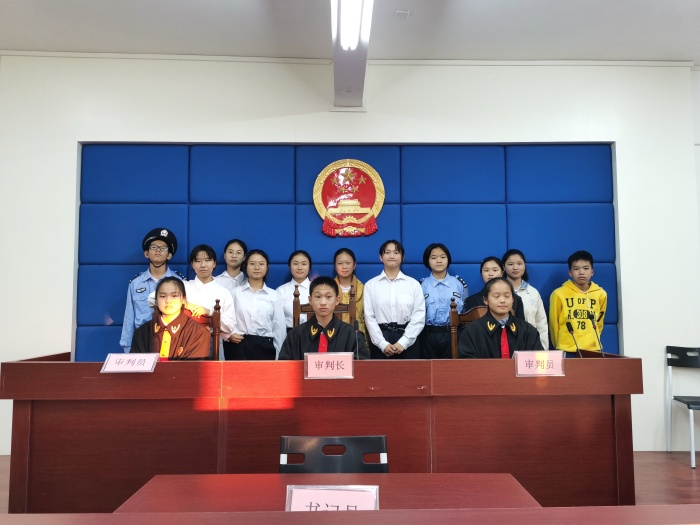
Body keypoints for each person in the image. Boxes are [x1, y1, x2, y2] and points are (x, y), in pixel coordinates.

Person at [120, 228, 185, 353]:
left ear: (169, 255)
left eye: (163, 248)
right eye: (154, 247)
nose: (158, 250)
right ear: (146, 253)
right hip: (142, 340)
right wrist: (127, 347)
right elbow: (129, 318)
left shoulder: (180, 282)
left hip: (172, 339)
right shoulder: (135, 283)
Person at [278, 277, 369, 360]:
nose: (323, 302)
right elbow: (284, 366)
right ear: (310, 300)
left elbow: (362, 368)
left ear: (337, 300)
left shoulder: (353, 335)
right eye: (318, 297)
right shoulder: (295, 335)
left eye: (328, 297)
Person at [364, 239, 426, 359]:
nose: (392, 256)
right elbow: (369, 318)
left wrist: (404, 342)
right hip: (380, 341)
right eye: (387, 252)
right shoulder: (370, 285)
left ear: (403, 257)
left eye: (396, 252)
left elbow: (419, 316)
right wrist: (382, 343)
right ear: (381, 257)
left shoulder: (413, 284)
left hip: (408, 341)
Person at [459, 278, 543, 358]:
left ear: (513, 299)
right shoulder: (471, 332)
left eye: (507, 296)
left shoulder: (528, 331)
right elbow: (468, 364)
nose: (502, 300)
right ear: (486, 300)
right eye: (496, 296)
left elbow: (536, 362)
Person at [131, 277, 210, 360]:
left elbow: (194, 366)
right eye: (162, 296)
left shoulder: (198, 332)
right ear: (156, 301)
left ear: (184, 299)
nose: (168, 300)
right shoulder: (141, 333)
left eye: (174, 296)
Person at [229, 249, 286, 360]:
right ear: (246, 267)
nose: (257, 267)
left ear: (267, 267)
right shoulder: (234, 293)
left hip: (265, 347)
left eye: (261, 264)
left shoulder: (274, 296)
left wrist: (280, 358)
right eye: (252, 264)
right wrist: (229, 335)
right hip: (239, 346)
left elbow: (279, 329)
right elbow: (226, 320)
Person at [549, 250, 607, 354]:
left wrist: (593, 339)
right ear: (570, 272)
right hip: (566, 349)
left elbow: (599, 323)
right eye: (576, 269)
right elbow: (554, 325)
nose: (581, 272)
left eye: (586, 268)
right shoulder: (558, 294)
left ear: (592, 272)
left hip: (593, 349)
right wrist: (559, 346)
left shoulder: (601, 294)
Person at [420, 243, 468, 359]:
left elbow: (465, 311)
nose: (439, 261)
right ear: (427, 261)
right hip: (427, 335)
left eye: (443, 257)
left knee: (452, 368)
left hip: (454, 334)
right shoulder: (421, 285)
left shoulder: (459, 284)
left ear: (448, 259)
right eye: (433, 257)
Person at [184, 244, 236, 348]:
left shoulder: (223, 292)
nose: (203, 265)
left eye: (207, 260)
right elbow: (153, 298)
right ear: (192, 264)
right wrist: (184, 304)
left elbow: (229, 326)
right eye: (198, 261)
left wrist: (210, 313)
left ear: (214, 263)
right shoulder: (183, 286)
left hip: (213, 342)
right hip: (185, 340)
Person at [502, 249, 549, 349]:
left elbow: (541, 323)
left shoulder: (533, 292)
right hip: (504, 343)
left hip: (529, 343)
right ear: (504, 267)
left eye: (519, 264)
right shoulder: (498, 292)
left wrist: (543, 350)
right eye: (510, 264)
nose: (515, 267)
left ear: (524, 266)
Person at [333, 247, 366, 338]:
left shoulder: (364, 289)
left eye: (348, 263)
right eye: (340, 263)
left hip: (358, 337)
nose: (344, 267)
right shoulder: (328, 289)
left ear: (354, 265)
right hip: (334, 336)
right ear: (335, 266)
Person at [276, 250, 313, 330]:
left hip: (313, 332)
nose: (299, 268)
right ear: (289, 266)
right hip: (288, 333)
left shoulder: (317, 289)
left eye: (304, 264)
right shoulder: (280, 291)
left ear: (309, 267)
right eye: (295, 264)